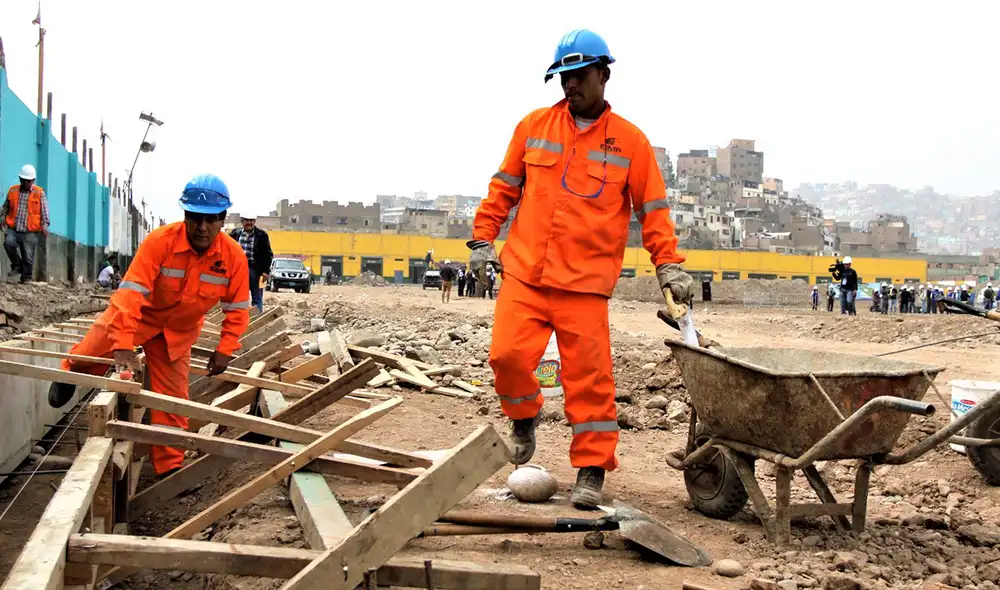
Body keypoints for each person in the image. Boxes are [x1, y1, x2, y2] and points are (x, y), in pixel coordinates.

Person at [470, 29, 693, 509]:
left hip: (585, 285)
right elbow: (503, 188)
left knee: (589, 382)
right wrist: (482, 238)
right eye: (563, 77)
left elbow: (653, 211)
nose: (570, 86)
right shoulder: (533, 126)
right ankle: (524, 416)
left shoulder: (631, 143)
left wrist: (669, 266)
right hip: (526, 274)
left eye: (579, 76)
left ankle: (591, 469)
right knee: (506, 358)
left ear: (603, 75)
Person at [48, 174, 250, 479]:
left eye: (210, 220)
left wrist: (225, 348)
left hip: (178, 332)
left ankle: (169, 468)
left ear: (222, 220)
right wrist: (123, 344)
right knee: (91, 351)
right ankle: (71, 371)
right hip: (141, 317)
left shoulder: (233, 258)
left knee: (171, 401)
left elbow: (237, 308)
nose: (202, 227)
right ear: (185, 216)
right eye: (195, 218)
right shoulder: (160, 242)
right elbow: (130, 294)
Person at [2, 164, 50, 283]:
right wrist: (2, 217)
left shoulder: (39, 193)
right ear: (20, 179)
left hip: (30, 230)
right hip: (14, 227)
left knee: (28, 255)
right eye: (24, 181)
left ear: (33, 180)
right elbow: (5, 207)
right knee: (8, 243)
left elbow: (44, 211)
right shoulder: (13, 190)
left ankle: (26, 278)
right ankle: (17, 265)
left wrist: (44, 225)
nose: (26, 183)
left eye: (29, 181)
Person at [229, 213, 273, 314]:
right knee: (237, 297)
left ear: (254, 221)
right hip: (238, 269)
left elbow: (268, 254)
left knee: (257, 297)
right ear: (242, 221)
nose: (249, 223)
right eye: (247, 220)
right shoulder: (235, 234)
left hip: (257, 270)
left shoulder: (262, 235)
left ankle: (256, 320)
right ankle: (238, 319)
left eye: (251, 220)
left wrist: (266, 271)